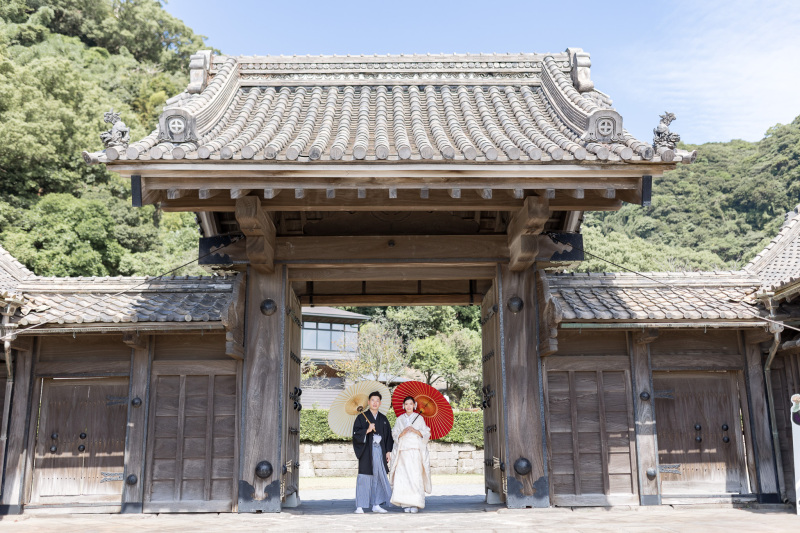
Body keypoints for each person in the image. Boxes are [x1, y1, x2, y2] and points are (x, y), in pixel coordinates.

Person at [352, 391, 394, 513]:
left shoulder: (383, 419)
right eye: (372, 400)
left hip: (380, 451)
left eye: (377, 401)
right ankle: (360, 505)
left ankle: (376, 504)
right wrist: (367, 430)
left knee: (379, 476)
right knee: (364, 477)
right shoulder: (361, 417)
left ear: (380, 403)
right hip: (367, 451)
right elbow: (355, 434)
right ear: (369, 402)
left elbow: (388, 437)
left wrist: (388, 451)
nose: (375, 403)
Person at [388, 396, 432, 513]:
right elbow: (394, 433)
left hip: (415, 451)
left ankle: (416, 503)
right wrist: (401, 433)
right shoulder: (400, 419)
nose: (408, 406)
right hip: (403, 452)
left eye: (411, 404)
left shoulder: (419, 419)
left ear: (414, 405)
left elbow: (426, 433)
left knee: (415, 476)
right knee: (403, 477)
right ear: (403, 406)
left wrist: (416, 431)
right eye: (406, 404)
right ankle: (405, 503)